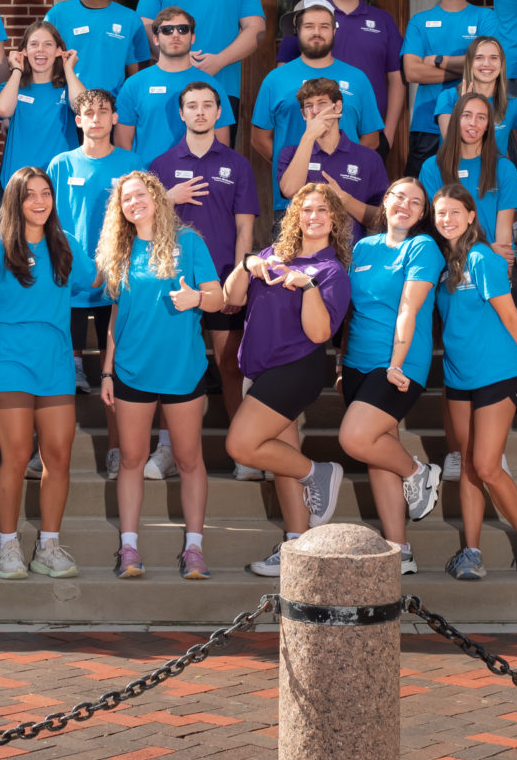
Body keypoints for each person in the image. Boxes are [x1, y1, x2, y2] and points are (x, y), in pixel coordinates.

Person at [0, 166, 83, 579]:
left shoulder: (65, 245)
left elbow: (101, 278)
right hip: (7, 360)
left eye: (46, 193)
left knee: (59, 456)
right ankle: (8, 545)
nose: (40, 201)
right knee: (15, 454)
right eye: (30, 194)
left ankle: (48, 546)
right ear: (15, 200)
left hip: (56, 361)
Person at [224, 183, 356, 575]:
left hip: (297, 368)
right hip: (260, 369)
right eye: (306, 210)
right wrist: (247, 265)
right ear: (295, 216)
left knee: (241, 445)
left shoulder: (332, 272)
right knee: (283, 458)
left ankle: (320, 473)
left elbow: (319, 334)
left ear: (334, 221)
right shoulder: (273, 256)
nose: (313, 217)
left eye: (322, 211)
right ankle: (297, 547)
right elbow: (232, 297)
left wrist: (309, 286)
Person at [97, 170, 224, 578]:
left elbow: (219, 298)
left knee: (189, 460)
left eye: (139, 194)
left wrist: (197, 298)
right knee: (132, 460)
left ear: (156, 196)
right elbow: (116, 315)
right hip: (132, 370)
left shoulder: (189, 243)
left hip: (183, 370)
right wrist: (106, 371)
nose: (133, 202)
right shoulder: (120, 249)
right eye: (125, 199)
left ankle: (194, 549)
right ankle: (129, 549)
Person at [430, 183, 517, 582]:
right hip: (458, 375)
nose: (446, 220)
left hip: (497, 371)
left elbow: (512, 315)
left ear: (470, 216)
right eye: (440, 213)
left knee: (487, 464)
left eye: (454, 213)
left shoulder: (482, 258)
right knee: (468, 464)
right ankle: (471, 552)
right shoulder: (445, 264)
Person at [150, 81, 261, 465]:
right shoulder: (161, 166)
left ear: (218, 113)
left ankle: (243, 451)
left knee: (229, 364)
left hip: (224, 280)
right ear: (181, 114)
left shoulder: (237, 164)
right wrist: (168, 198)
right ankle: (166, 447)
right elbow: (142, 223)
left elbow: (245, 229)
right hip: (173, 284)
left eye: (208, 105)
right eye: (192, 105)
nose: (200, 112)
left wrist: (240, 282)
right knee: (171, 366)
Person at [339, 178, 445, 574]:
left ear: (421, 214)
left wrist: (396, 363)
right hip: (356, 363)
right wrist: (340, 362)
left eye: (415, 202)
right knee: (379, 453)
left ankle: (420, 472)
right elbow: (350, 312)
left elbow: (408, 308)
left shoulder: (422, 247)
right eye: (398, 196)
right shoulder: (362, 248)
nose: (405, 205)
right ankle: (399, 549)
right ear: (384, 201)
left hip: (399, 363)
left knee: (355, 438)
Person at [133, 0, 266, 141]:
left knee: (216, 163)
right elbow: (144, 30)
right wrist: (177, 62)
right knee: (165, 156)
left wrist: (220, 60)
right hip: (167, 88)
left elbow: (257, 30)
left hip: (221, 85)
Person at [50, 90, 141, 404]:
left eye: (104, 111)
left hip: (115, 275)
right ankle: (46, 452)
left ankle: (116, 450)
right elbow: (48, 222)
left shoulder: (131, 163)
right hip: (70, 276)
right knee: (62, 376)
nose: (97, 118)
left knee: (112, 373)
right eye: (89, 113)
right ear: (78, 120)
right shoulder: (61, 165)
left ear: (115, 118)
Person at [272, 0, 407, 152]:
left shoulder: (383, 20)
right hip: (309, 127)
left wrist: (389, 133)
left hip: (367, 131)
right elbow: (283, 75)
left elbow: (397, 78)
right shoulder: (308, 17)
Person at [250, 0, 384, 161]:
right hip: (293, 186)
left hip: (342, 185)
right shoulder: (274, 80)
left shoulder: (358, 79)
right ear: (297, 31)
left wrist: (345, 169)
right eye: (309, 26)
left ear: (334, 31)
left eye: (324, 26)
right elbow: (259, 139)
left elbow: (371, 140)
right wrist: (290, 168)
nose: (316, 32)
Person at [402, 0, 496, 176]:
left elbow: (490, 64)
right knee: (420, 196)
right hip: (427, 122)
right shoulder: (419, 21)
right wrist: (469, 68)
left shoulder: (485, 17)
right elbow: (412, 72)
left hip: (474, 123)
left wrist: (438, 60)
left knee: (470, 192)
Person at [418, 92, 517, 261]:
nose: (473, 123)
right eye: (466, 115)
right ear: (456, 120)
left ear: (488, 125)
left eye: (481, 117)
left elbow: (504, 236)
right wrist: (483, 249)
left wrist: (504, 272)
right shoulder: (432, 167)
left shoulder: (504, 168)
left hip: (492, 262)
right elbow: (431, 225)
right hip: (447, 260)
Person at [275, 80, 390, 225]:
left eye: (322, 103)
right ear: (303, 114)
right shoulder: (290, 153)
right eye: (309, 106)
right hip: (306, 245)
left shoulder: (369, 158)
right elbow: (290, 191)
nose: (315, 111)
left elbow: (384, 218)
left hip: (351, 246)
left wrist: (345, 200)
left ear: (338, 107)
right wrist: (309, 137)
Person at [44, 0, 151, 95]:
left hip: (111, 109)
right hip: (65, 107)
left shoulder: (130, 19)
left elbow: (137, 76)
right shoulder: (58, 14)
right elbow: (42, 62)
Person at [0, 20, 88, 187]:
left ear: (59, 50)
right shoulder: (13, 86)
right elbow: (2, 110)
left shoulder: (69, 86)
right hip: (18, 180)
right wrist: (17, 70)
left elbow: (83, 107)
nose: (40, 50)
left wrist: (68, 69)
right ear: (24, 51)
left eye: (48, 44)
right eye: (34, 44)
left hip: (60, 180)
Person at [114, 5, 205, 159]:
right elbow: (122, 147)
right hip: (146, 179)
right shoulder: (134, 85)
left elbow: (220, 146)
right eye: (167, 30)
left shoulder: (209, 85)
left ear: (193, 37)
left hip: (196, 180)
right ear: (155, 38)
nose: (175, 34)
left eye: (183, 29)